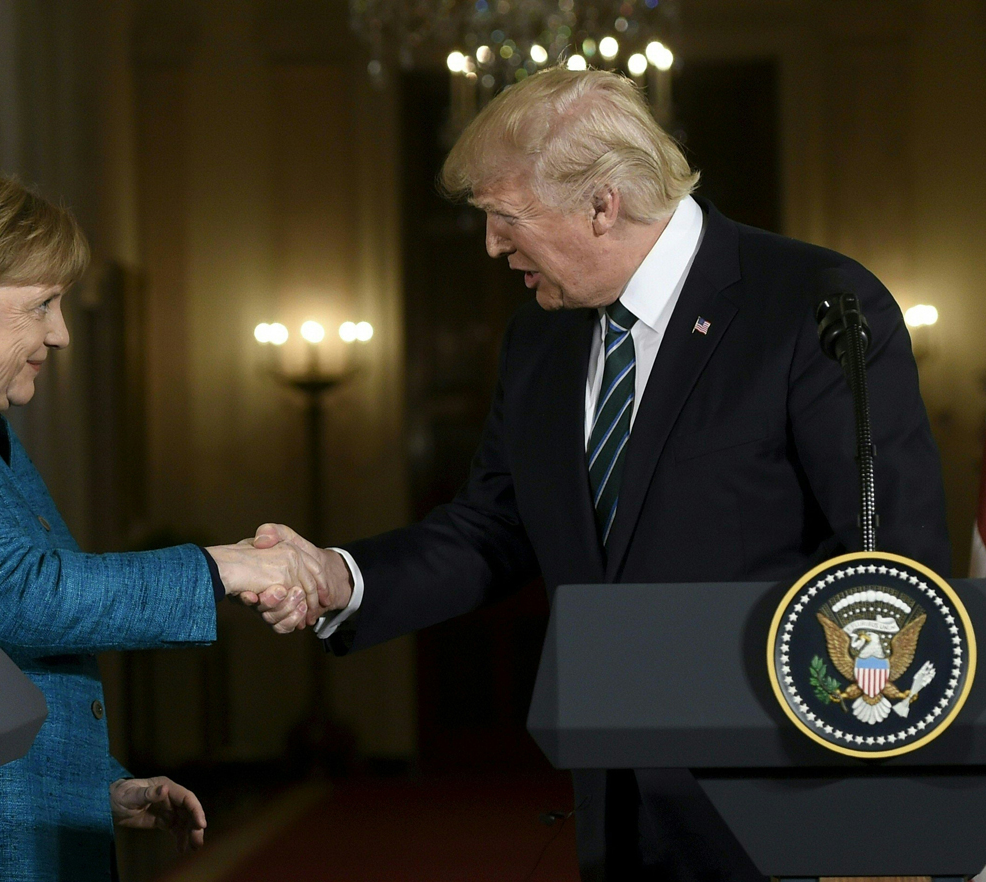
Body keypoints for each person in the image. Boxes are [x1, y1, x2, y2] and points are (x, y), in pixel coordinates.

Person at [249, 69, 951, 880]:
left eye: (506, 217)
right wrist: (342, 578)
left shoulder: (815, 302)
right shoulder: (539, 340)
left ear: (602, 204)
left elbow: (890, 566)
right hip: (617, 809)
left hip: (785, 804)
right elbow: (492, 526)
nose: (490, 246)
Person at [0, 168, 320, 882]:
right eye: (42, 305)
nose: (62, 333)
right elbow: (24, 596)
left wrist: (93, 785)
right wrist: (225, 567)